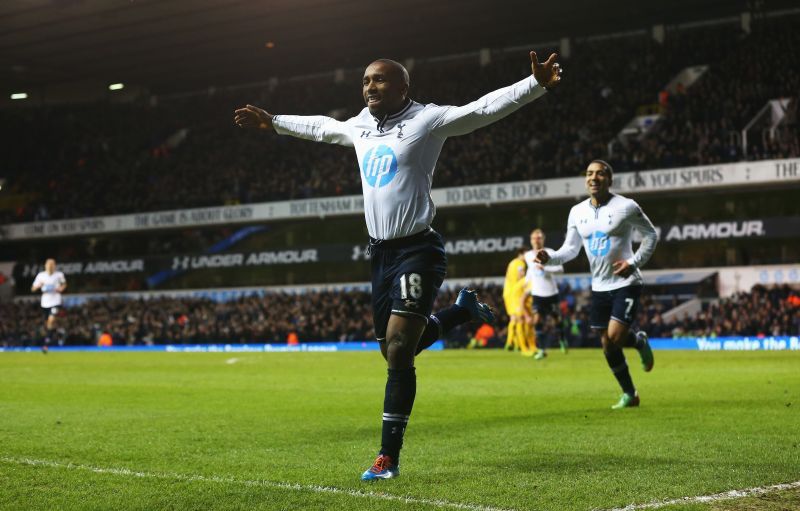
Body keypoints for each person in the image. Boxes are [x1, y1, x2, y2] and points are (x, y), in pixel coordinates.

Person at [235, 51, 562, 479]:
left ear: (403, 88)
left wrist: (534, 85)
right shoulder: (361, 126)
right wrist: (274, 122)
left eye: (381, 81)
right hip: (379, 254)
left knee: (398, 349)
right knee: (392, 348)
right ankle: (461, 311)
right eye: (366, 80)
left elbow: (480, 110)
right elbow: (322, 127)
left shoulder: (427, 120)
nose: (370, 86)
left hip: (418, 248)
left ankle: (388, 457)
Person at [535, 160, 657, 409]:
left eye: (600, 173)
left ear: (609, 180)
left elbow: (650, 235)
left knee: (615, 335)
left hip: (626, 281)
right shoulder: (577, 212)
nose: (594, 178)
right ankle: (630, 394)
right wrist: (549, 257)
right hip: (599, 287)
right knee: (606, 344)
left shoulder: (626, 206)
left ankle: (639, 342)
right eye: (590, 174)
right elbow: (569, 250)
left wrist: (633, 263)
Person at [523, 228, 566, 359]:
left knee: (556, 319)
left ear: (543, 239)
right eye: (534, 238)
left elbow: (560, 269)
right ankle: (541, 349)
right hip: (537, 293)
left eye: (539, 237)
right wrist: (526, 280)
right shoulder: (528, 255)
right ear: (531, 241)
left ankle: (562, 340)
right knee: (537, 320)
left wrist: (545, 268)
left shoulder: (550, 252)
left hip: (551, 292)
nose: (536, 240)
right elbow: (531, 270)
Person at [31, 258, 67, 353]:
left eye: (52, 264)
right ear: (45, 265)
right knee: (48, 325)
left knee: (51, 320)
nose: (50, 266)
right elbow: (33, 288)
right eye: (49, 264)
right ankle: (57, 333)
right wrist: (38, 286)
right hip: (45, 303)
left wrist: (61, 289)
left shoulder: (59, 275)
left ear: (55, 265)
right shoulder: (41, 276)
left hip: (55, 301)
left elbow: (64, 285)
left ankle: (46, 344)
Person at [503, 248, 534, 355]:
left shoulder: (512, 262)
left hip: (508, 292)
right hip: (515, 292)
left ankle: (513, 343)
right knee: (519, 318)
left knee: (514, 318)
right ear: (522, 254)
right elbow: (521, 275)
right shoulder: (520, 263)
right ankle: (518, 346)